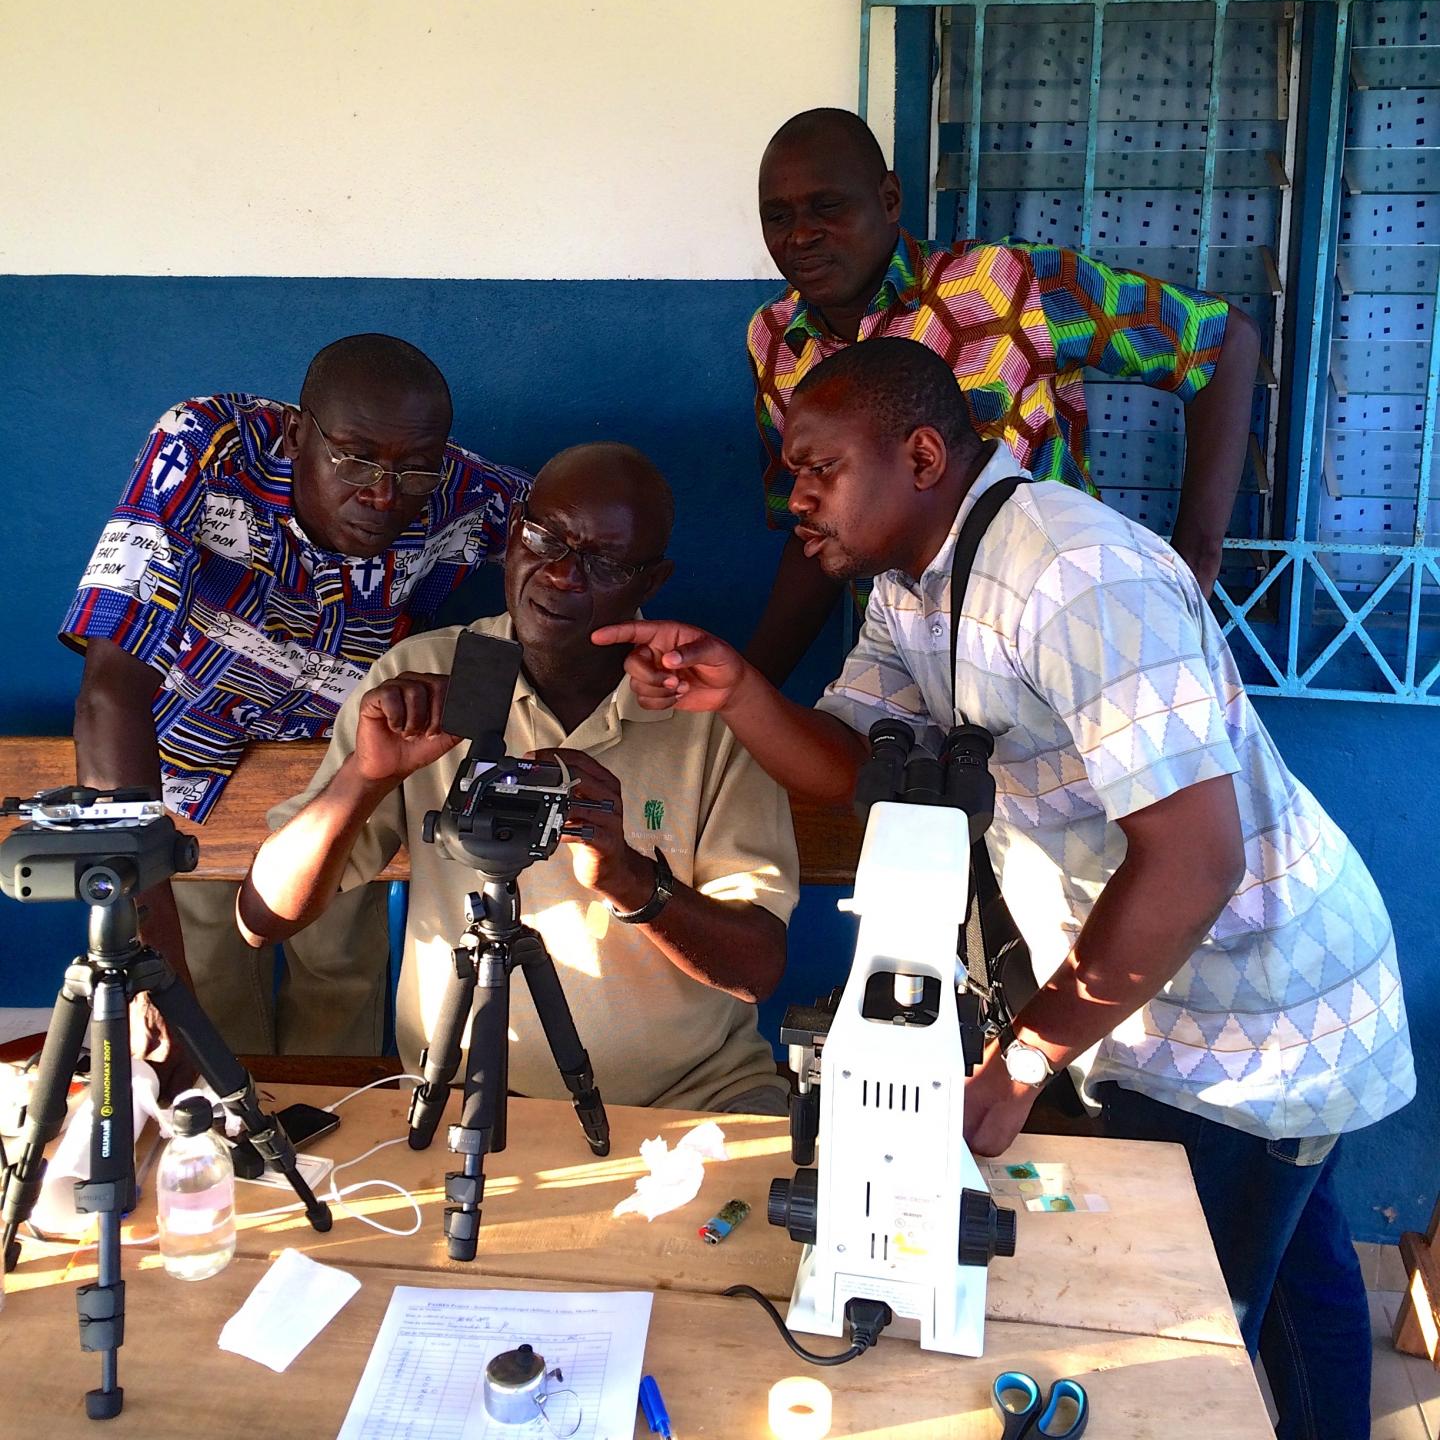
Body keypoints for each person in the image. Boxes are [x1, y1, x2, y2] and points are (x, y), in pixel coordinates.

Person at [599, 339, 1413, 1440]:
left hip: (1251, 1009)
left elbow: (1195, 860)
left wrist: (1025, 1056)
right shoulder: (915, 585)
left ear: (923, 453)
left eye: (818, 468)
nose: (794, 497)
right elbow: (861, 770)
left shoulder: (1074, 577)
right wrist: (738, 691)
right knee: (1297, 1280)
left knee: (1179, 1330)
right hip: (1171, 995)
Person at [238, 443, 798, 1114]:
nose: (561, 574)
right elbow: (260, 918)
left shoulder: (703, 704)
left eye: (603, 562)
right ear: (511, 536)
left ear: (651, 582)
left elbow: (757, 969)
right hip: (467, 1096)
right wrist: (366, 775)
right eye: (545, 538)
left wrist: (628, 878)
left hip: (692, 1094)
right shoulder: (442, 680)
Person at [62, 333, 528, 1060]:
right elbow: (110, 690)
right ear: (296, 431)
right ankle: (229, 1153)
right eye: (354, 458)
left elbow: (572, 543)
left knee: (341, 982)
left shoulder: (463, 491)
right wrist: (146, 960)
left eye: (412, 471)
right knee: (203, 998)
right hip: (186, 766)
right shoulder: (207, 449)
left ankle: (337, 1158)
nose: (381, 493)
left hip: (340, 776)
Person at [744, 106, 1261, 684]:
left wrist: (1193, 562)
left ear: (889, 199)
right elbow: (813, 531)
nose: (801, 234)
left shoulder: (1009, 285)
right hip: (912, 665)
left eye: (827, 206)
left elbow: (1221, 343)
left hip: (1062, 639)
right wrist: (746, 686)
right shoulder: (775, 340)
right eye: (777, 216)